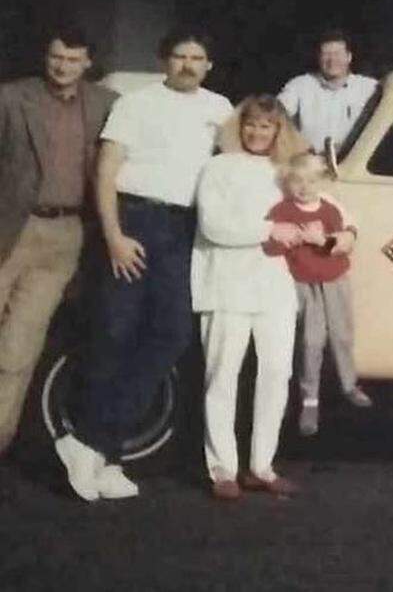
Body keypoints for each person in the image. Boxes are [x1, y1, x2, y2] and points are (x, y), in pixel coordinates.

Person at [55, 29, 233, 501]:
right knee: (115, 334)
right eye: (180, 56)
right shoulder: (136, 103)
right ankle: (101, 451)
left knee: (172, 335)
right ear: (164, 60)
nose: (188, 65)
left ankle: (92, 443)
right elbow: (107, 169)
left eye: (198, 57)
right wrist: (114, 235)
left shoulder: (220, 109)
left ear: (209, 65)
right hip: (135, 220)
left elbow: (250, 156)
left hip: (183, 229)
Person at [0, 27, 117, 456]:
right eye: (56, 58)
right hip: (11, 226)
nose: (62, 66)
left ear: (87, 63)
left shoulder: (107, 105)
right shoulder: (11, 98)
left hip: (65, 236)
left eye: (72, 60)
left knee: (19, 347)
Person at [192, 96, 310, 500]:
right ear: (239, 126)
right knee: (222, 375)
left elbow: (320, 210)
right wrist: (268, 231)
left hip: (275, 286)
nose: (258, 133)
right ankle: (222, 468)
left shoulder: (286, 172)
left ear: (280, 131)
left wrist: (341, 231)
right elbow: (214, 226)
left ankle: (261, 466)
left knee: (277, 374)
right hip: (226, 284)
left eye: (267, 126)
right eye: (251, 124)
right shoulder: (218, 166)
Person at [265, 152, 368, 439]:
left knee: (342, 334)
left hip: (334, 279)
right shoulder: (283, 210)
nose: (304, 187)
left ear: (321, 181)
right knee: (311, 342)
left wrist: (321, 240)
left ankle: (349, 384)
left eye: (311, 180)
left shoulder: (330, 209)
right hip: (303, 282)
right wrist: (286, 237)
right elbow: (271, 244)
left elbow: (346, 240)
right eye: (298, 180)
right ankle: (310, 401)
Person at [278, 29, 378, 154]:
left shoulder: (370, 88)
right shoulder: (299, 85)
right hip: (310, 163)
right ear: (319, 58)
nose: (332, 60)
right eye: (326, 54)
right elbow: (274, 115)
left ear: (349, 57)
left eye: (337, 54)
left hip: (354, 164)